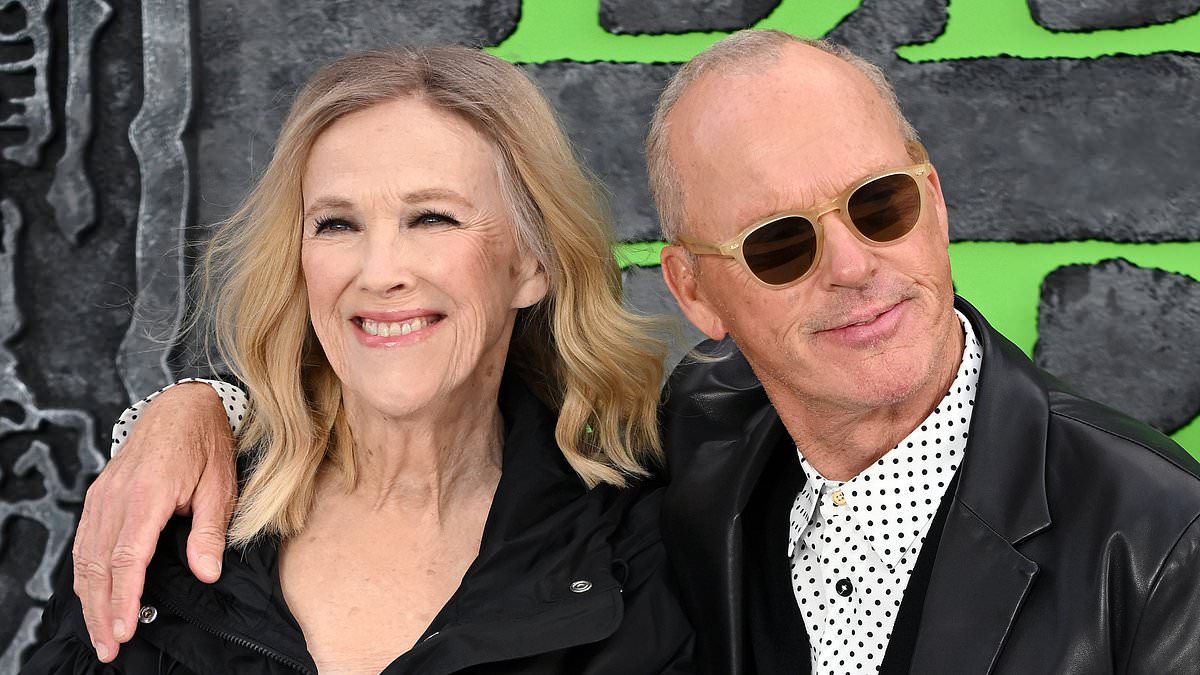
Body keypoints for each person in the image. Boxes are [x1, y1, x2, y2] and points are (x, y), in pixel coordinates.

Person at [60, 31, 1200, 675]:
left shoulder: (1160, 544)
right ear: (698, 293)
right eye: (781, 243)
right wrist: (192, 410)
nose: (854, 267)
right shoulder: (696, 450)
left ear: (936, 202)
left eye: (882, 205)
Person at [25, 46, 694, 674]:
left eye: (431, 218)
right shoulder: (161, 523)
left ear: (531, 264)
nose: (378, 273)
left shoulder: (637, 552)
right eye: (336, 224)